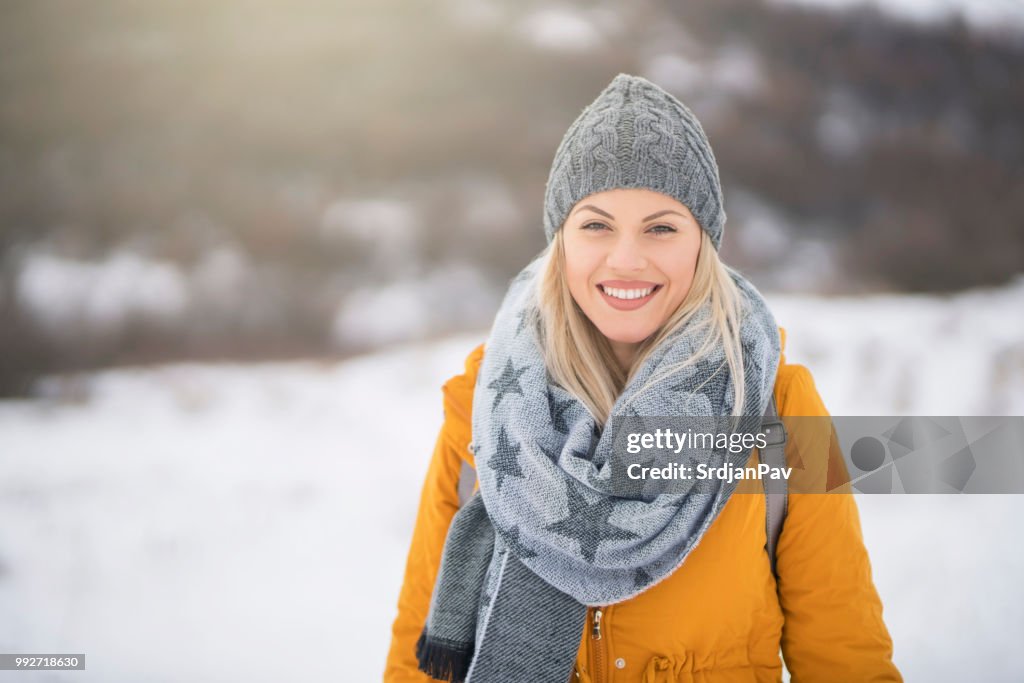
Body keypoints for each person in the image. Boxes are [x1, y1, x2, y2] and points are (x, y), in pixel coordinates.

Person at [384, 73, 901, 682]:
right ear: (562, 244)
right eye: (596, 225)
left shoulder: (778, 412)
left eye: (661, 227)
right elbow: (418, 653)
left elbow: (845, 655)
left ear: (702, 245)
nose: (626, 259)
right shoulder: (483, 409)